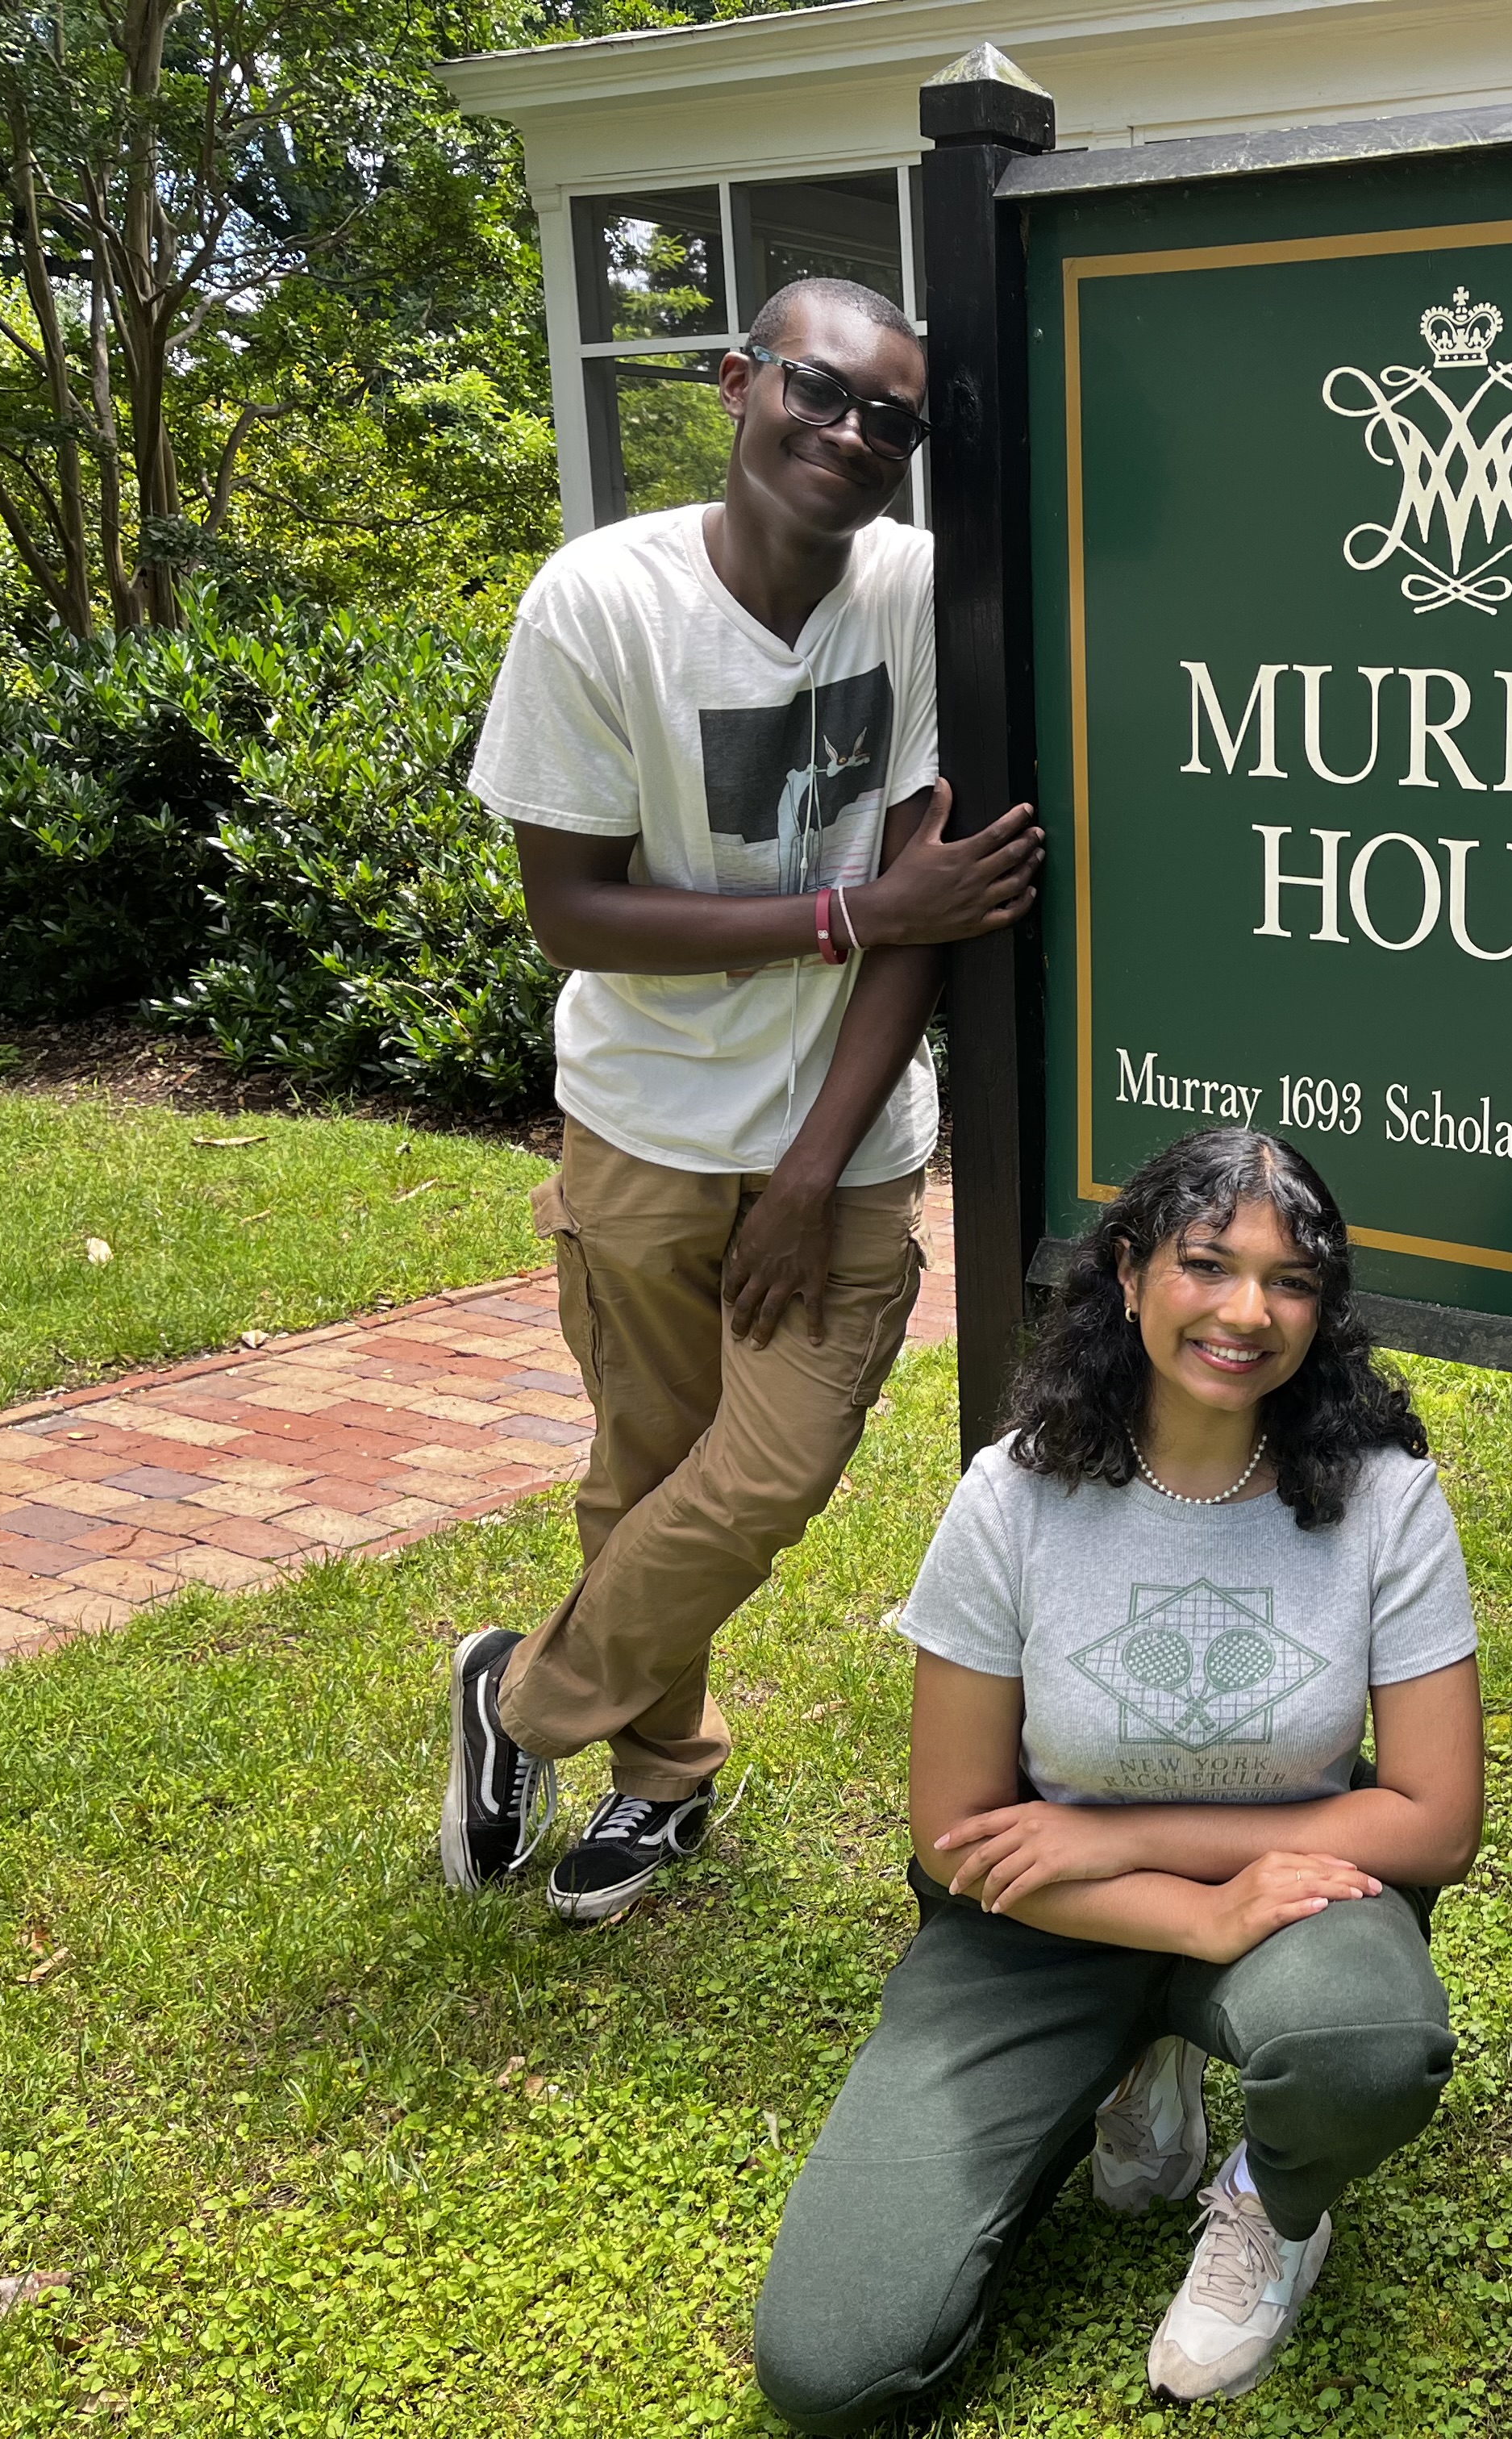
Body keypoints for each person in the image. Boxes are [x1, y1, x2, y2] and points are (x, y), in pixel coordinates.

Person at [444, 274, 1043, 1924]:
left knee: (765, 1474)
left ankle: (514, 1700)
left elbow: (939, 912)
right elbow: (571, 905)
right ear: (737, 382)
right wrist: (843, 913)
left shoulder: (923, 595)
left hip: (843, 1153)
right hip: (640, 1125)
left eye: (890, 423)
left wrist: (807, 1168)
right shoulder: (599, 604)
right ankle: (660, 1782)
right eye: (819, 392)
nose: (848, 435)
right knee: (648, 1477)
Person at [752, 1128, 1484, 2426]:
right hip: (1040, 1923)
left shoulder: (1384, 1495)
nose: (1249, 1312)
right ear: (1132, 1274)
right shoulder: (1013, 1500)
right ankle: (1133, 2059)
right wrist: (1183, 1908)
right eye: (1209, 1264)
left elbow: (1434, 1818)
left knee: (1363, 2047)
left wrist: (1126, 1837)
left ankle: (1276, 2203)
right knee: (835, 2369)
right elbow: (953, 1832)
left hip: (1293, 1894)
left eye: (1294, 1280)